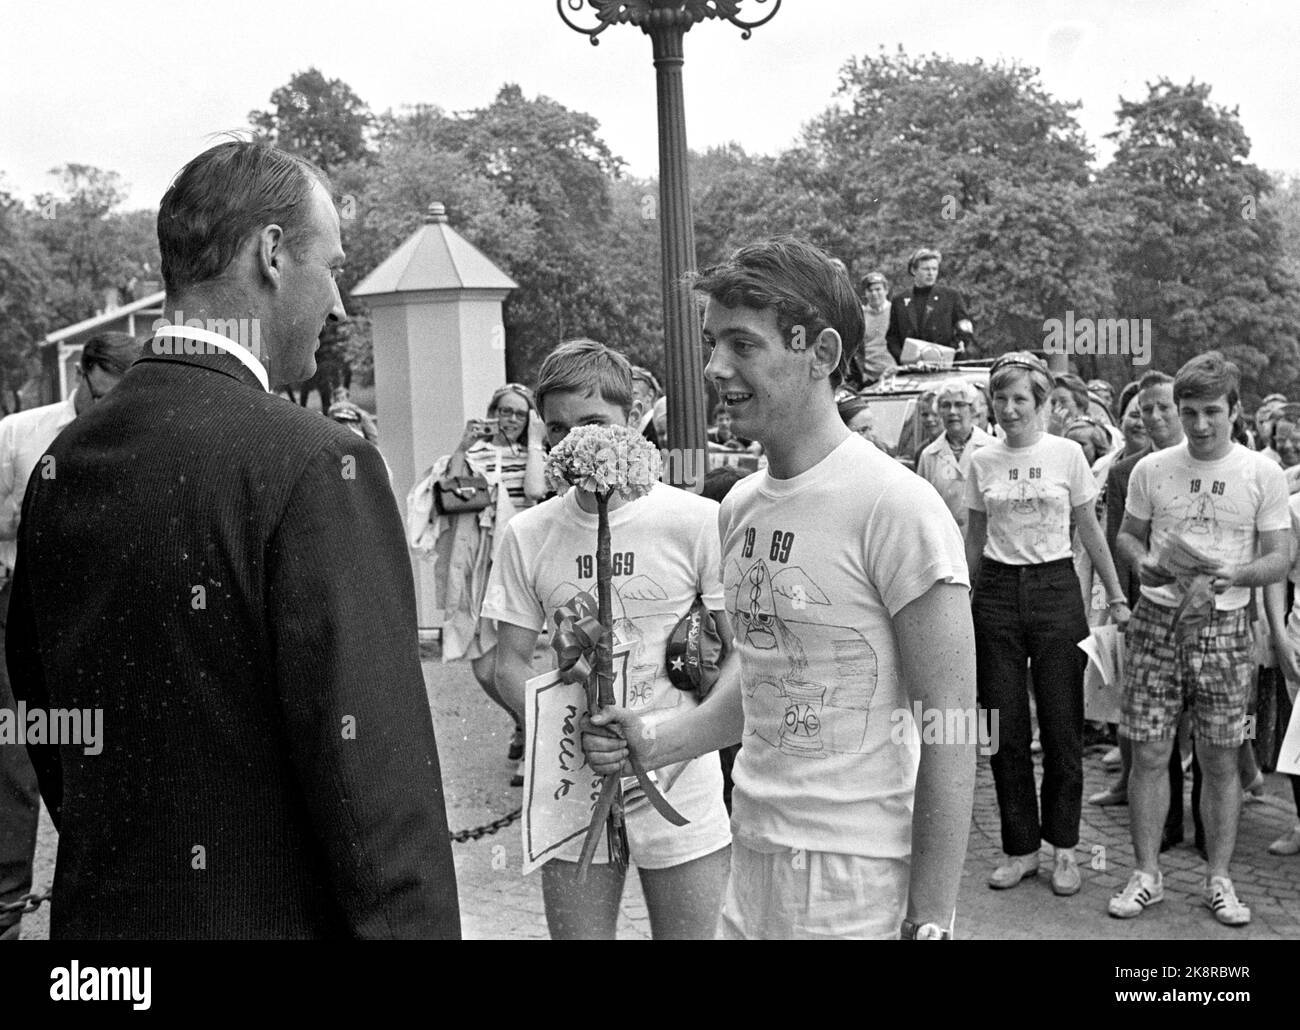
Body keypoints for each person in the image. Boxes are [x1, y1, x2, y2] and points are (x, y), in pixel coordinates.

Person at [6, 140, 460, 939]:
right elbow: (378, 790)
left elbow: (42, 714)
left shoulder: (63, 463)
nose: (340, 306)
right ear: (273, 253)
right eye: (333, 267)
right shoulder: (319, 465)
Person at [585, 236, 977, 940]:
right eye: (713, 344)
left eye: (743, 344)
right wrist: (654, 738)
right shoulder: (737, 507)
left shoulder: (899, 508)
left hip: (856, 883)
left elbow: (950, 730)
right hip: (752, 856)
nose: (714, 367)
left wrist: (930, 921)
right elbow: (765, 681)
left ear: (821, 353)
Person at [482, 339, 733, 940]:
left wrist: (669, 740)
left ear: (636, 414)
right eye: (558, 428)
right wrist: (568, 733)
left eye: (593, 421)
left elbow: (740, 656)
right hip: (574, 779)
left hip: (679, 775)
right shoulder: (528, 533)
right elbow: (503, 664)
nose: (576, 440)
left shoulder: (694, 521)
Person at [1110, 352, 1289, 927]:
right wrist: (1145, 567)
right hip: (1157, 623)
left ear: (1235, 410)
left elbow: (1281, 554)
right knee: (1150, 752)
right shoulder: (1150, 469)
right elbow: (1127, 537)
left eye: (1212, 411)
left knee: (1218, 759)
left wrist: (1237, 576)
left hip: (1226, 626)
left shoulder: (1260, 473)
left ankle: (1219, 878)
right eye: (1189, 413)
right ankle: (1146, 874)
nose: (1200, 425)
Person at [964, 352, 1130, 897]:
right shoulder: (982, 460)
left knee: (1061, 725)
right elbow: (974, 539)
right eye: (1001, 399)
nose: (1010, 410)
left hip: (1057, 587)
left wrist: (1117, 595)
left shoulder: (1067, 455)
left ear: (1041, 404)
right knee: (1005, 728)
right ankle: (1021, 849)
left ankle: (1064, 849)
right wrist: (961, 603)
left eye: (1020, 400)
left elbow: (1090, 528)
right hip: (996, 593)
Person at [0, 331, 140, 940]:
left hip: (101, 608)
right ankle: (7, 899)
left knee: (102, 750)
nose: (110, 405)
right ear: (83, 374)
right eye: (105, 391)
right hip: (21, 604)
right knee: (18, 754)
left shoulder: (135, 432)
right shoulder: (19, 433)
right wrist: (35, 512)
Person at [410, 383, 548, 785]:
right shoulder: (478, 453)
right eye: (504, 411)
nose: (510, 419)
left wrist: (536, 441)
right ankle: (523, 720)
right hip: (478, 570)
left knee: (513, 662)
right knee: (485, 669)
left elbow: (537, 492)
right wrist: (462, 446)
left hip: (519, 569)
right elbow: (448, 495)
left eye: (519, 414)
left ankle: (534, 741)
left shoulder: (535, 454)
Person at [916, 378, 994, 539]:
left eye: (959, 404)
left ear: (972, 409)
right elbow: (922, 508)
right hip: (945, 543)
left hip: (986, 545)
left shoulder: (992, 448)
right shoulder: (928, 455)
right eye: (945, 405)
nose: (952, 411)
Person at [885, 247, 973, 363]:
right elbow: (892, 337)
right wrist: (902, 357)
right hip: (910, 366)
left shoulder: (951, 296)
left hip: (944, 364)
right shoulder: (899, 301)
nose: (931, 273)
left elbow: (965, 328)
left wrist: (953, 350)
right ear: (913, 270)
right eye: (926, 269)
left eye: (934, 269)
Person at [846, 271, 895, 388]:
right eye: (870, 290)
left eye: (878, 289)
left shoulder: (895, 312)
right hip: (867, 378)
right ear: (865, 293)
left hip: (893, 373)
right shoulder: (859, 315)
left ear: (886, 290)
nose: (874, 294)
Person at [630, 366, 662, 446]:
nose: (627, 399)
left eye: (634, 394)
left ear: (650, 396)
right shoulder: (635, 428)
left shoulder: (658, 430)